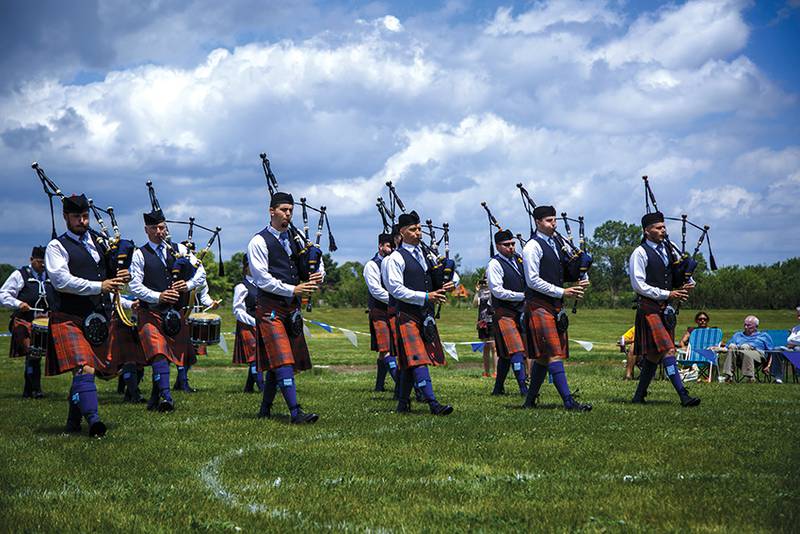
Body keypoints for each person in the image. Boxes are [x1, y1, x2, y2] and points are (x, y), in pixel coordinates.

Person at [44, 194, 128, 437]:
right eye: (76, 217)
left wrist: (121, 276)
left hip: (97, 317)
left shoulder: (99, 243)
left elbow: (111, 272)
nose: (82, 221)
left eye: (84, 216)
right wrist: (99, 286)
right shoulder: (56, 247)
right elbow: (61, 281)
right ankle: (94, 421)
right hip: (69, 316)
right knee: (84, 368)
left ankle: (73, 421)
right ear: (65, 217)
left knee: (86, 371)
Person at [247, 191, 321, 424]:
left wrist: (316, 276)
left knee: (278, 362)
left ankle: (265, 409)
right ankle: (295, 411)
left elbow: (317, 263)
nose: (288, 214)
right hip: (270, 307)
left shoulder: (296, 238)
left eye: (290, 210)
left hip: (292, 309)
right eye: (283, 210)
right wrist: (293, 290)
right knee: (283, 359)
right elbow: (261, 278)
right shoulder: (258, 241)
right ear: (272, 211)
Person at [129, 208, 206, 412]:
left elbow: (201, 273)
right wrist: (158, 296)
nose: (159, 231)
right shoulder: (139, 254)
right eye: (154, 228)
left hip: (174, 314)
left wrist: (187, 285)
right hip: (151, 312)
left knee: (166, 357)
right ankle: (166, 396)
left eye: (162, 227)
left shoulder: (179, 249)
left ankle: (155, 398)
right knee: (159, 354)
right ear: (146, 230)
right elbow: (134, 286)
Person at [520, 205, 591, 411]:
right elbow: (532, 280)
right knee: (553, 353)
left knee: (543, 357)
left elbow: (561, 272)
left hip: (554, 306)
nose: (554, 224)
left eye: (554, 220)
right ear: (537, 222)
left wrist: (579, 276)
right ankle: (569, 402)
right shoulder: (532, 247)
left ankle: (530, 401)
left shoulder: (555, 243)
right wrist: (563, 292)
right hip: (539, 305)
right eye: (549, 220)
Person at [383, 210, 454, 415]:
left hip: (425, 316)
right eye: (413, 230)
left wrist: (448, 284)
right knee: (419, 358)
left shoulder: (426, 254)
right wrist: (425, 296)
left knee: (408, 363)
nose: (418, 233)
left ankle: (403, 404)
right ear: (402, 232)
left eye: (419, 229)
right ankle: (433, 403)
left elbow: (441, 277)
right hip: (405, 314)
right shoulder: (394, 259)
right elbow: (396, 289)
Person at [629, 211, 699, 406]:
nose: (663, 230)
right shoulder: (640, 253)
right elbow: (638, 285)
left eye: (664, 227)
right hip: (649, 307)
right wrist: (668, 294)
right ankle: (683, 395)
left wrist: (689, 282)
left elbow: (680, 270)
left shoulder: (669, 248)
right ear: (646, 230)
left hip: (665, 309)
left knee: (653, 355)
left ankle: (638, 396)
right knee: (668, 351)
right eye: (658, 228)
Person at [0, 246, 54, 398]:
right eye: (39, 262)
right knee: (32, 354)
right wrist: (18, 304)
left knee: (36, 355)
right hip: (25, 320)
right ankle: (35, 389)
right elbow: (3, 294)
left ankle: (28, 390)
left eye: (45, 262)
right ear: (31, 260)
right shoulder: (20, 274)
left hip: (45, 321)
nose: (42, 265)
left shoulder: (51, 275)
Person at [486, 230, 529, 396]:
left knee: (505, 354)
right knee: (516, 350)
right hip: (504, 311)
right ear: (498, 246)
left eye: (512, 244)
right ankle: (524, 389)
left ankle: (497, 389)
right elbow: (497, 291)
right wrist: (522, 296)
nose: (511, 247)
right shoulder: (494, 264)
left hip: (520, 311)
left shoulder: (518, 260)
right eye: (506, 245)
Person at [363, 233, 399, 392]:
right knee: (385, 349)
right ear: (380, 246)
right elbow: (376, 290)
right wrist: (397, 299)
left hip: (393, 311)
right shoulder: (371, 265)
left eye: (393, 247)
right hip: (379, 311)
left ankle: (379, 385)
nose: (391, 250)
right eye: (389, 246)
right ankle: (400, 383)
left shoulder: (394, 263)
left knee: (385, 350)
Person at [174, 280, 220, 393]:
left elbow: (204, 296)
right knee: (181, 352)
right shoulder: (180, 273)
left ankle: (179, 383)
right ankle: (183, 383)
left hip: (195, 317)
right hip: (178, 315)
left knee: (190, 352)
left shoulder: (200, 275)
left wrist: (211, 303)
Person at [232, 255, 263, 393]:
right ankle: (262, 386)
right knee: (253, 357)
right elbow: (237, 310)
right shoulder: (241, 286)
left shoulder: (262, 284)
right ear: (246, 267)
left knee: (258, 355)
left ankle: (248, 387)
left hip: (261, 324)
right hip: (247, 325)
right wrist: (253, 322)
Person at [720, 315, 773, 383]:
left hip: (757, 358)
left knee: (745, 346)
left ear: (756, 326)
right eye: (745, 325)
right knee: (732, 346)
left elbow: (772, 352)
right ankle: (728, 376)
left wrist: (768, 365)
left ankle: (750, 377)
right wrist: (716, 348)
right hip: (739, 358)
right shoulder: (738, 335)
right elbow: (727, 348)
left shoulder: (764, 336)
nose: (745, 327)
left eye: (749, 325)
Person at [473, 276, 497, 380]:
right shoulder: (481, 292)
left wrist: (491, 287)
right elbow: (474, 304)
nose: (485, 282)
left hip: (492, 321)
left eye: (487, 280)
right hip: (482, 322)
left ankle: (496, 372)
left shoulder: (494, 290)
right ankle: (486, 372)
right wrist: (477, 292)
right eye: (484, 280)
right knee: (486, 347)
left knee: (494, 347)